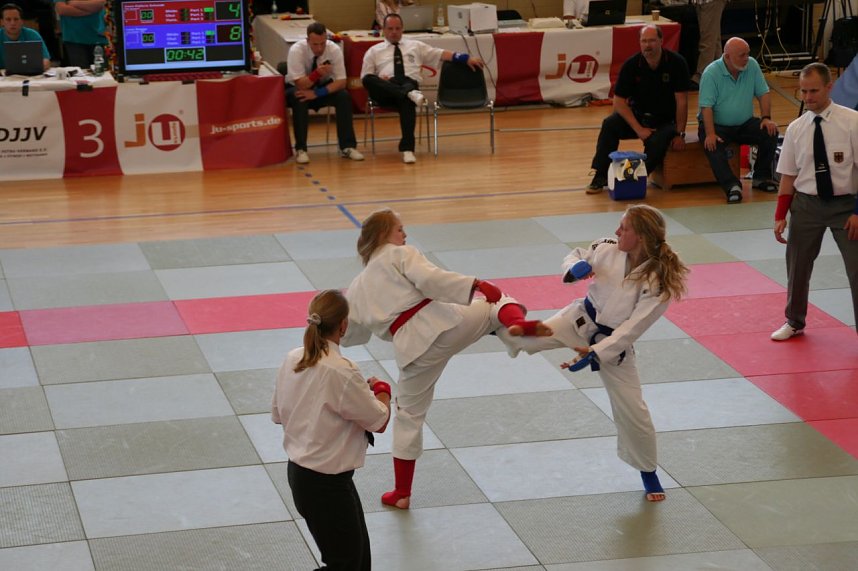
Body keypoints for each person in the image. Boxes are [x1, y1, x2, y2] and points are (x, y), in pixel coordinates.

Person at [342, 208, 551, 509]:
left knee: (409, 416)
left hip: (411, 350)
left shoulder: (357, 288)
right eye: (400, 229)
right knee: (496, 304)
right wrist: (477, 284)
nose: (405, 235)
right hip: (443, 324)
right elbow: (430, 278)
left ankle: (401, 493)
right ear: (384, 234)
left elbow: (351, 334)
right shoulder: (399, 254)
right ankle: (516, 331)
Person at [497, 204, 690, 502]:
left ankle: (648, 472)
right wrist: (573, 269)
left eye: (623, 227)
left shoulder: (658, 282)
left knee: (634, 412)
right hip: (577, 320)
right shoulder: (607, 248)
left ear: (639, 236)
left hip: (615, 345)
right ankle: (495, 313)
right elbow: (575, 255)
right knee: (522, 339)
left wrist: (597, 352)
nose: (616, 231)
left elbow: (633, 328)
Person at [271, 289, 391, 570]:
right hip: (325, 485)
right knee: (346, 565)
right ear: (344, 325)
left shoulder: (292, 359)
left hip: (307, 476)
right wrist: (382, 391)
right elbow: (379, 421)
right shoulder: (342, 371)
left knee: (359, 563)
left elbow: (279, 414)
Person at [771, 62, 858, 341]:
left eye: (813, 91)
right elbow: (788, 176)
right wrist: (780, 215)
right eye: (803, 92)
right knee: (797, 266)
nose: (808, 97)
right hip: (806, 205)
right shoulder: (796, 128)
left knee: (856, 270)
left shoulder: (852, 122)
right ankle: (794, 321)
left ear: (829, 87)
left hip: (847, 206)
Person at [360, 13, 484, 164]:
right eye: (390, 28)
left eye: (397, 28)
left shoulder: (415, 46)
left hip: (408, 82)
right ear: (383, 30)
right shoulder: (373, 51)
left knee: (407, 100)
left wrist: (465, 58)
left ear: (402, 29)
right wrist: (381, 80)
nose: (394, 32)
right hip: (386, 89)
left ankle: (407, 149)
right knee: (369, 80)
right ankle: (409, 94)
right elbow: (365, 78)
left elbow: (441, 54)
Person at [587, 25, 690, 194]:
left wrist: (680, 134)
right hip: (639, 117)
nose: (647, 45)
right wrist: (639, 129)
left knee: (656, 144)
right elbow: (618, 102)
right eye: (644, 41)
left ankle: (635, 178)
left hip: (664, 121)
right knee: (610, 124)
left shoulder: (677, 63)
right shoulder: (632, 65)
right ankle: (600, 175)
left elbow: (682, 102)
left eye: (652, 41)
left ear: (661, 41)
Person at [697, 36, 779, 204]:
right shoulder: (711, 73)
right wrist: (710, 134)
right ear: (727, 57)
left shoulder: (752, 66)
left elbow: (763, 93)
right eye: (742, 55)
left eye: (748, 54)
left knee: (770, 132)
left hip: (744, 124)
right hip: (717, 125)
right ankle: (732, 186)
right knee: (713, 146)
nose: (746, 59)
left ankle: (761, 177)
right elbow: (706, 107)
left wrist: (766, 118)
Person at [286, 22, 364, 165]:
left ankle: (348, 146)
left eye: (322, 43)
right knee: (300, 97)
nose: (320, 48)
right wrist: (316, 75)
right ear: (307, 40)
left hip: (320, 90)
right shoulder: (296, 50)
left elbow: (341, 81)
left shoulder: (333, 49)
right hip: (297, 88)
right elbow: (300, 84)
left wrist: (317, 93)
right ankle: (301, 149)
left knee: (344, 97)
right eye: (315, 44)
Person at [53, 0, 107, 69]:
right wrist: (90, 10)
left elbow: (100, 4)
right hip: (74, 39)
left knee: (103, 74)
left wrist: (72, 3)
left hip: (99, 38)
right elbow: (61, 9)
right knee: (80, 75)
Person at [0, 3, 50, 71]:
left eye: (16, 19)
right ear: (2, 22)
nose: (12, 23)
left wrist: (42, 65)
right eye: (8, 19)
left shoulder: (33, 35)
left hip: (31, 75)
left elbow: (46, 59)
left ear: (22, 21)